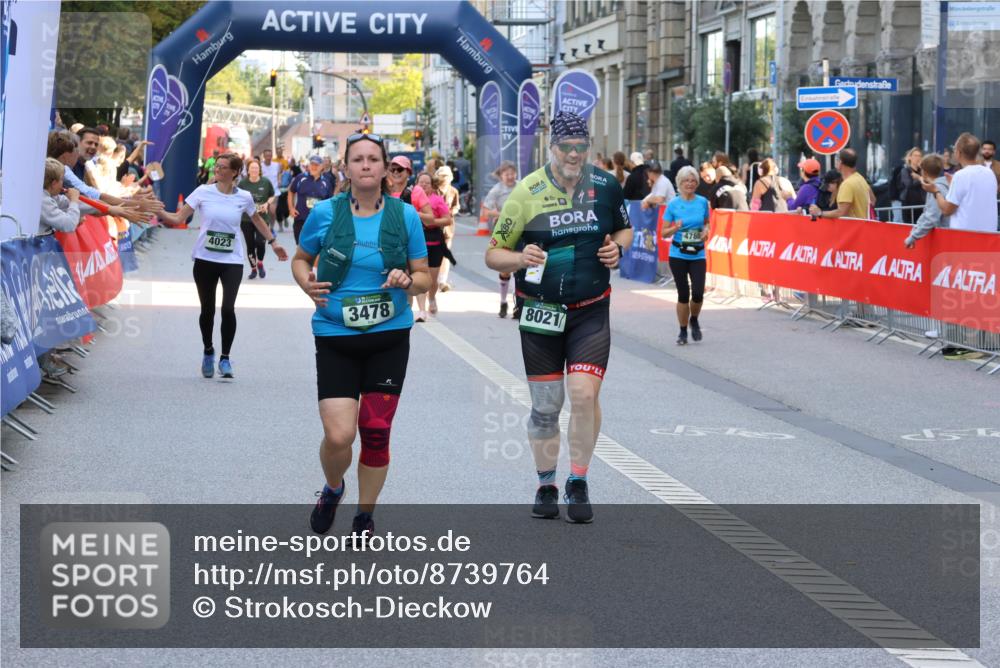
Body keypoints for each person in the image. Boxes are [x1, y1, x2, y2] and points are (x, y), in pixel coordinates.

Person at [484, 111, 633, 524]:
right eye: (565, 147)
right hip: (541, 313)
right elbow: (493, 252)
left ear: (588, 148)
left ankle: (578, 480)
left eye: (580, 147)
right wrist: (518, 257)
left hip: (590, 310)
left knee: (584, 394)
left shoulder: (605, 186)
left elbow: (624, 230)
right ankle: (546, 482)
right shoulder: (526, 191)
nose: (573, 154)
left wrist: (616, 249)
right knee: (547, 407)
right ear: (551, 148)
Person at [293, 132, 430, 539]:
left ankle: (364, 515)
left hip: (389, 335)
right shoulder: (325, 214)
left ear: (386, 168)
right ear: (347, 167)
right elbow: (302, 260)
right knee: (339, 435)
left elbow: (424, 276)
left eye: (374, 159)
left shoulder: (405, 217)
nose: (366, 165)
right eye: (358, 159)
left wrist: (409, 280)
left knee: (374, 431)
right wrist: (306, 284)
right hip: (335, 333)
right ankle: (333, 488)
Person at [158, 153, 289, 378]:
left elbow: (257, 219)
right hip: (205, 259)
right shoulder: (202, 192)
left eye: (223, 167)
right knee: (207, 311)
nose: (217, 170)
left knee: (228, 309)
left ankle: (225, 358)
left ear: (235, 172)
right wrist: (155, 210)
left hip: (232, 261)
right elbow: (179, 218)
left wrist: (273, 242)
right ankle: (208, 350)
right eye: (216, 166)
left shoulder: (245, 197)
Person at [662, 165, 710, 346]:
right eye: (686, 181)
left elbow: (706, 223)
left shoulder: (702, 202)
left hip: (697, 254)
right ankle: (682, 331)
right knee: (683, 294)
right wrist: (675, 227)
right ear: (679, 183)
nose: (689, 184)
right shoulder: (673, 204)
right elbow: (664, 232)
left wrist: (706, 231)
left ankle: (694, 319)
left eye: (693, 181)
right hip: (678, 254)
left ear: (697, 183)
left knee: (698, 293)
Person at [923, 132, 998, 232]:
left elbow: (946, 210)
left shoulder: (961, 175)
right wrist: (952, 186)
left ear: (958, 152)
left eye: (954, 149)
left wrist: (936, 191)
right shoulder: (989, 173)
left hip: (965, 236)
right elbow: (972, 196)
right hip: (989, 236)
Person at [481, 161, 519, 318]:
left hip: (520, 228)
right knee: (505, 269)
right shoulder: (497, 190)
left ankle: (518, 304)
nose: (510, 177)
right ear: (501, 175)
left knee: (520, 266)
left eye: (512, 173)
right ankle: (503, 301)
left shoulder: (522, 186)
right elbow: (486, 211)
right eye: (506, 174)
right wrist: (501, 215)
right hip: (503, 229)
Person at [413, 171, 453, 320]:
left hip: (434, 240)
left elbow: (448, 220)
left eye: (426, 183)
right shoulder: (411, 198)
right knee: (419, 275)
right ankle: (421, 310)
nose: (423, 185)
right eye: (420, 182)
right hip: (417, 241)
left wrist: (430, 221)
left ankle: (432, 298)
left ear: (432, 185)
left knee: (432, 278)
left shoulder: (436, 200)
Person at [238, 159, 276, 279]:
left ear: (259, 170)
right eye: (252, 168)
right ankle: (253, 269)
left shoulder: (265, 182)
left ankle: (260, 262)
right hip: (246, 220)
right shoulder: (243, 184)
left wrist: (267, 204)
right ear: (248, 170)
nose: (254, 170)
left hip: (262, 218)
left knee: (260, 242)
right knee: (250, 245)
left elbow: (272, 195)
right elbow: (237, 198)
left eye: (256, 168)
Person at [904, 153, 950, 248]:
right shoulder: (946, 185)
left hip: (944, 239)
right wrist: (914, 232)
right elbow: (927, 213)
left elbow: (931, 217)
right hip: (947, 235)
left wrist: (913, 237)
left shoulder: (935, 188)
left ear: (924, 172)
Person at [809, 149, 869, 220]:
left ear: (840, 163)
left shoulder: (847, 184)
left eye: (837, 160)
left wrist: (820, 213)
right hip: (861, 227)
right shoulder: (860, 178)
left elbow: (841, 212)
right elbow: (873, 200)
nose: (836, 163)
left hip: (852, 229)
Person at [289, 155, 336, 244]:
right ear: (309, 165)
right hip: (301, 219)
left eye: (316, 165)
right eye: (312, 164)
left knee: (315, 250)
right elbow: (291, 191)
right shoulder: (300, 178)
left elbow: (329, 202)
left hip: (318, 222)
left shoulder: (326, 182)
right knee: (300, 247)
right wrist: (291, 208)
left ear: (321, 167)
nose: (314, 167)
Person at [435, 165, 460, 292]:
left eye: (446, 176)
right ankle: (433, 278)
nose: (444, 178)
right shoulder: (433, 190)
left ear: (451, 178)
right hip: (434, 226)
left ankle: (442, 281)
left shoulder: (454, 191)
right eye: (442, 176)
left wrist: (452, 211)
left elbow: (457, 206)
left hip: (448, 227)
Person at [897, 147, 926, 225]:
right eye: (915, 155)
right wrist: (920, 179)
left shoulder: (922, 171)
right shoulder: (905, 170)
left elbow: (927, 181)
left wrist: (920, 176)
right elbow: (909, 184)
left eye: (919, 156)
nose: (918, 158)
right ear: (910, 157)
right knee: (908, 226)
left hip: (921, 203)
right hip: (908, 203)